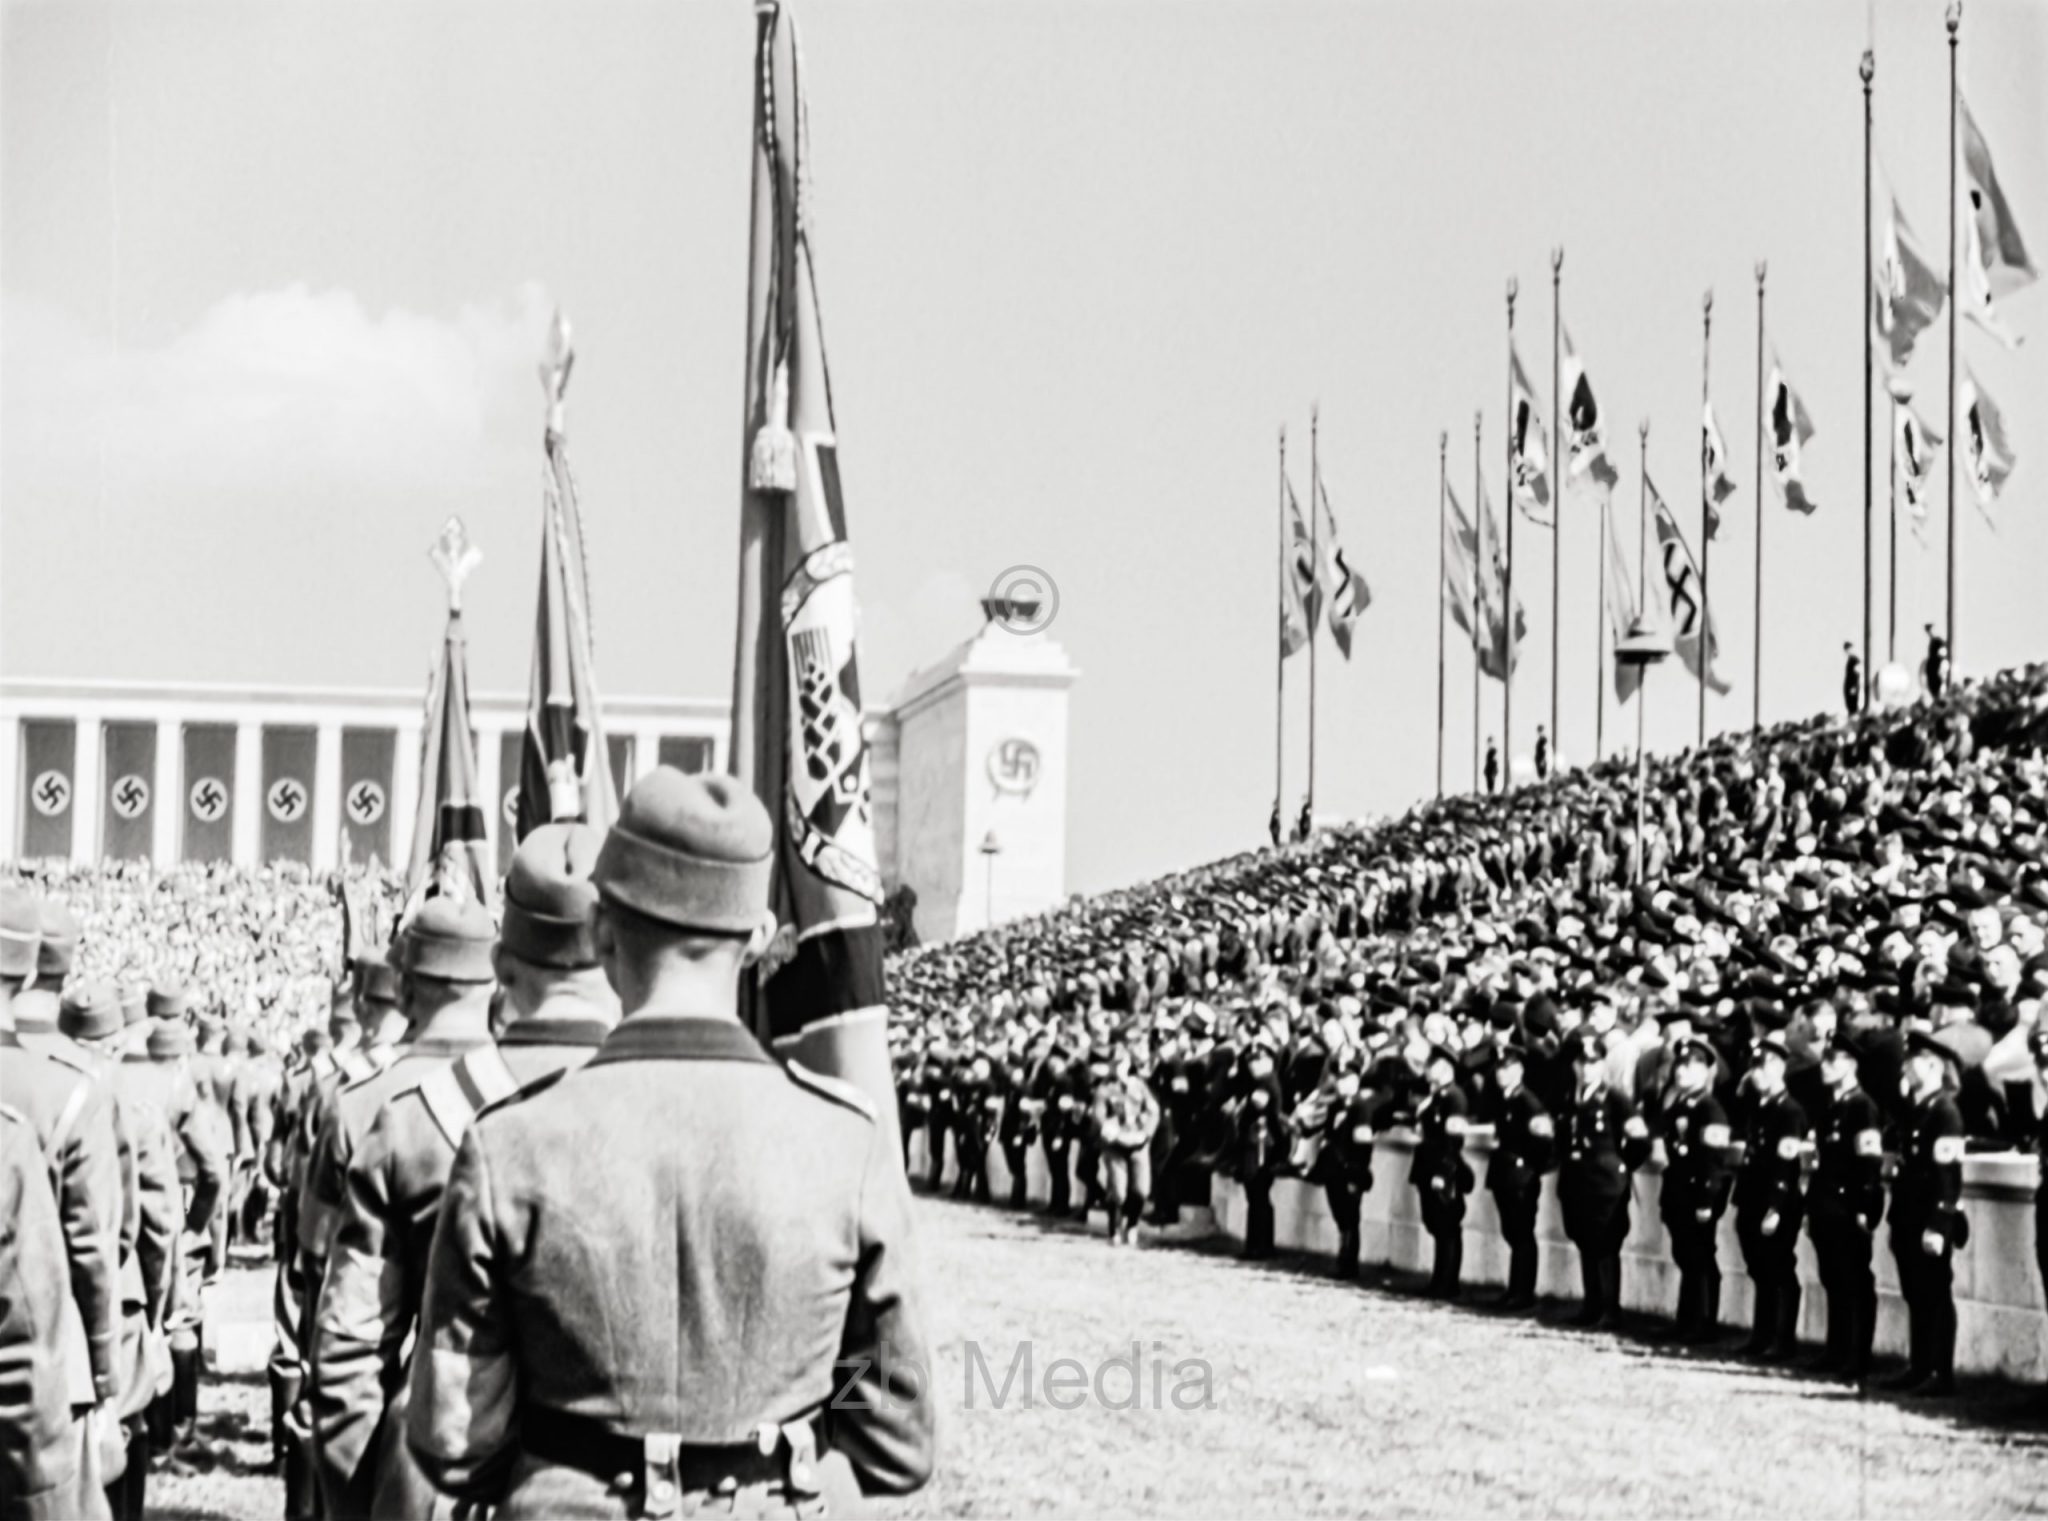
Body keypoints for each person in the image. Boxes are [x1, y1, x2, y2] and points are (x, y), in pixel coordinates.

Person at [407, 768, 935, 1516]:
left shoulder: (509, 1143)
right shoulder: (844, 1141)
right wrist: (812, 1412)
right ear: (756, 940)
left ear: (600, 932)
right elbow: (897, 1420)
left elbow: (452, 1434)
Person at [308, 895, 501, 1519]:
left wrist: (364, 1488)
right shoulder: (534, 1087)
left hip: (412, 1436)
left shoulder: (364, 1100)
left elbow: (319, 1271)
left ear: (408, 986)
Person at [1880, 1031, 1969, 1396]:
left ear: (1931, 1065)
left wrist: (1939, 1224)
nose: (1905, 1066)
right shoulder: (1917, 1110)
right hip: (1907, 1214)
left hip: (1929, 1217)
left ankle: (1940, 1371)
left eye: (1911, 1060)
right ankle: (1919, 1365)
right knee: (1916, 1293)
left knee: (1935, 1294)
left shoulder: (1944, 1113)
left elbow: (1948, 1177)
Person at [1554, 1027, 1651, 1329]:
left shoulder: (1615, 1099)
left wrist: (1620, 1167)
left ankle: (1611, 1308)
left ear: (1603, 1064)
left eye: (1593, 1062)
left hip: (1605, 1184)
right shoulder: (1569, 1096)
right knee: (1585, 1242)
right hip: (1577, 1181)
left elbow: (1640, 1142)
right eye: (1582, 1062)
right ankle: (1591, 1304)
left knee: (1607, 1245)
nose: (1587, 1068)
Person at [1806, 1039, 1886, 1381]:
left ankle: (1858, 1355)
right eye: (1823, 1059)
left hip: (1848, 1205)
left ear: (1851, 1064)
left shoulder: (1862, 1107)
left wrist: (1864, 1208)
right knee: (1833, 1278)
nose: (1824, 1066)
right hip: (1827, 1204)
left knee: (1854, 1280)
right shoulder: (1830, 1107)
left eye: (1832, 1060)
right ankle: (1836, 1348)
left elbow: (1869, 1163)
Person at [1734, 1032, 1810, 1361]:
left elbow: (1785, 1164)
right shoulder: (1760, 1107)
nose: (1756, 1074)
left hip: (1775, 1202)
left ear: (1779, 1068)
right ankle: (1761, 1334)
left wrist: (1775, 1207)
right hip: (1752, 1197)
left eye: (1763, 1067)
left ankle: (1783, 1339)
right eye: (1753, 1068)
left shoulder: (1789, 1111)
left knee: (1779, 1270)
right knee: (1760, 1269)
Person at [1652, 1036, 1734, 1345]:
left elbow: (1713, 1161)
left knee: (1701, 1259)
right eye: (1680, 1066)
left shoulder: (1710, 1109)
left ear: (1705, 1072)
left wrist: (1706, 1200)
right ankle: (1687, 1319)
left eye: (1690, 1067)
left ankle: (1704, 1322)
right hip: (1678, 1193)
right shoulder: (1680, 1105)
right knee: (1687, 1257)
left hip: (1697, 1194)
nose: (1681, 1072)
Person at [1484, 1041, 1551, 1312]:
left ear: (1519, 1070)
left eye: (1507, 1068)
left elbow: (1543, 1141)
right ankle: (1514, 1288)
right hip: (1505, 1173)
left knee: (1522, 1233)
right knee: (1512, 1232)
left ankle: (1524, 1292)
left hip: (1520, 1175)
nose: (1501, 1074)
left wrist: (1530, 1168)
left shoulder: (1527, 1102)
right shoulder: (1505, 1099)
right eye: (1499, 1068)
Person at [1409, 1045, 1473, 1300]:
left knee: (1447, 1226)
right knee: (1436, 1224)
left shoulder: (1454, 1097)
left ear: (1445, 1068)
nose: (1426, 1071)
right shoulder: (1436, 1097)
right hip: (1427, 1165)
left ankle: (1448, 1282)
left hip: (1442, 1168)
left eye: (1431, 1066)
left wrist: (1444, 1172)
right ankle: (1439, 1279)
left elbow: (1453, 1139)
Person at [1090, 1040, 1161, 1246]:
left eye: (1122, 1062)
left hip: (1138, 1142)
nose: (1119, 1067)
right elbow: (1098, 1116)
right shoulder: (1104, 1089)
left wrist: (1146, 1132)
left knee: (1141, 1190)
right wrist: (1110, 1131)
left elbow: (1153, 1110)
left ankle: (1132, 1223)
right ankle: (1114, 1227)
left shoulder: (1139, 1085)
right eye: (1115, 1063)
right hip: (1115, 1144)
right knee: (1118, 1191)